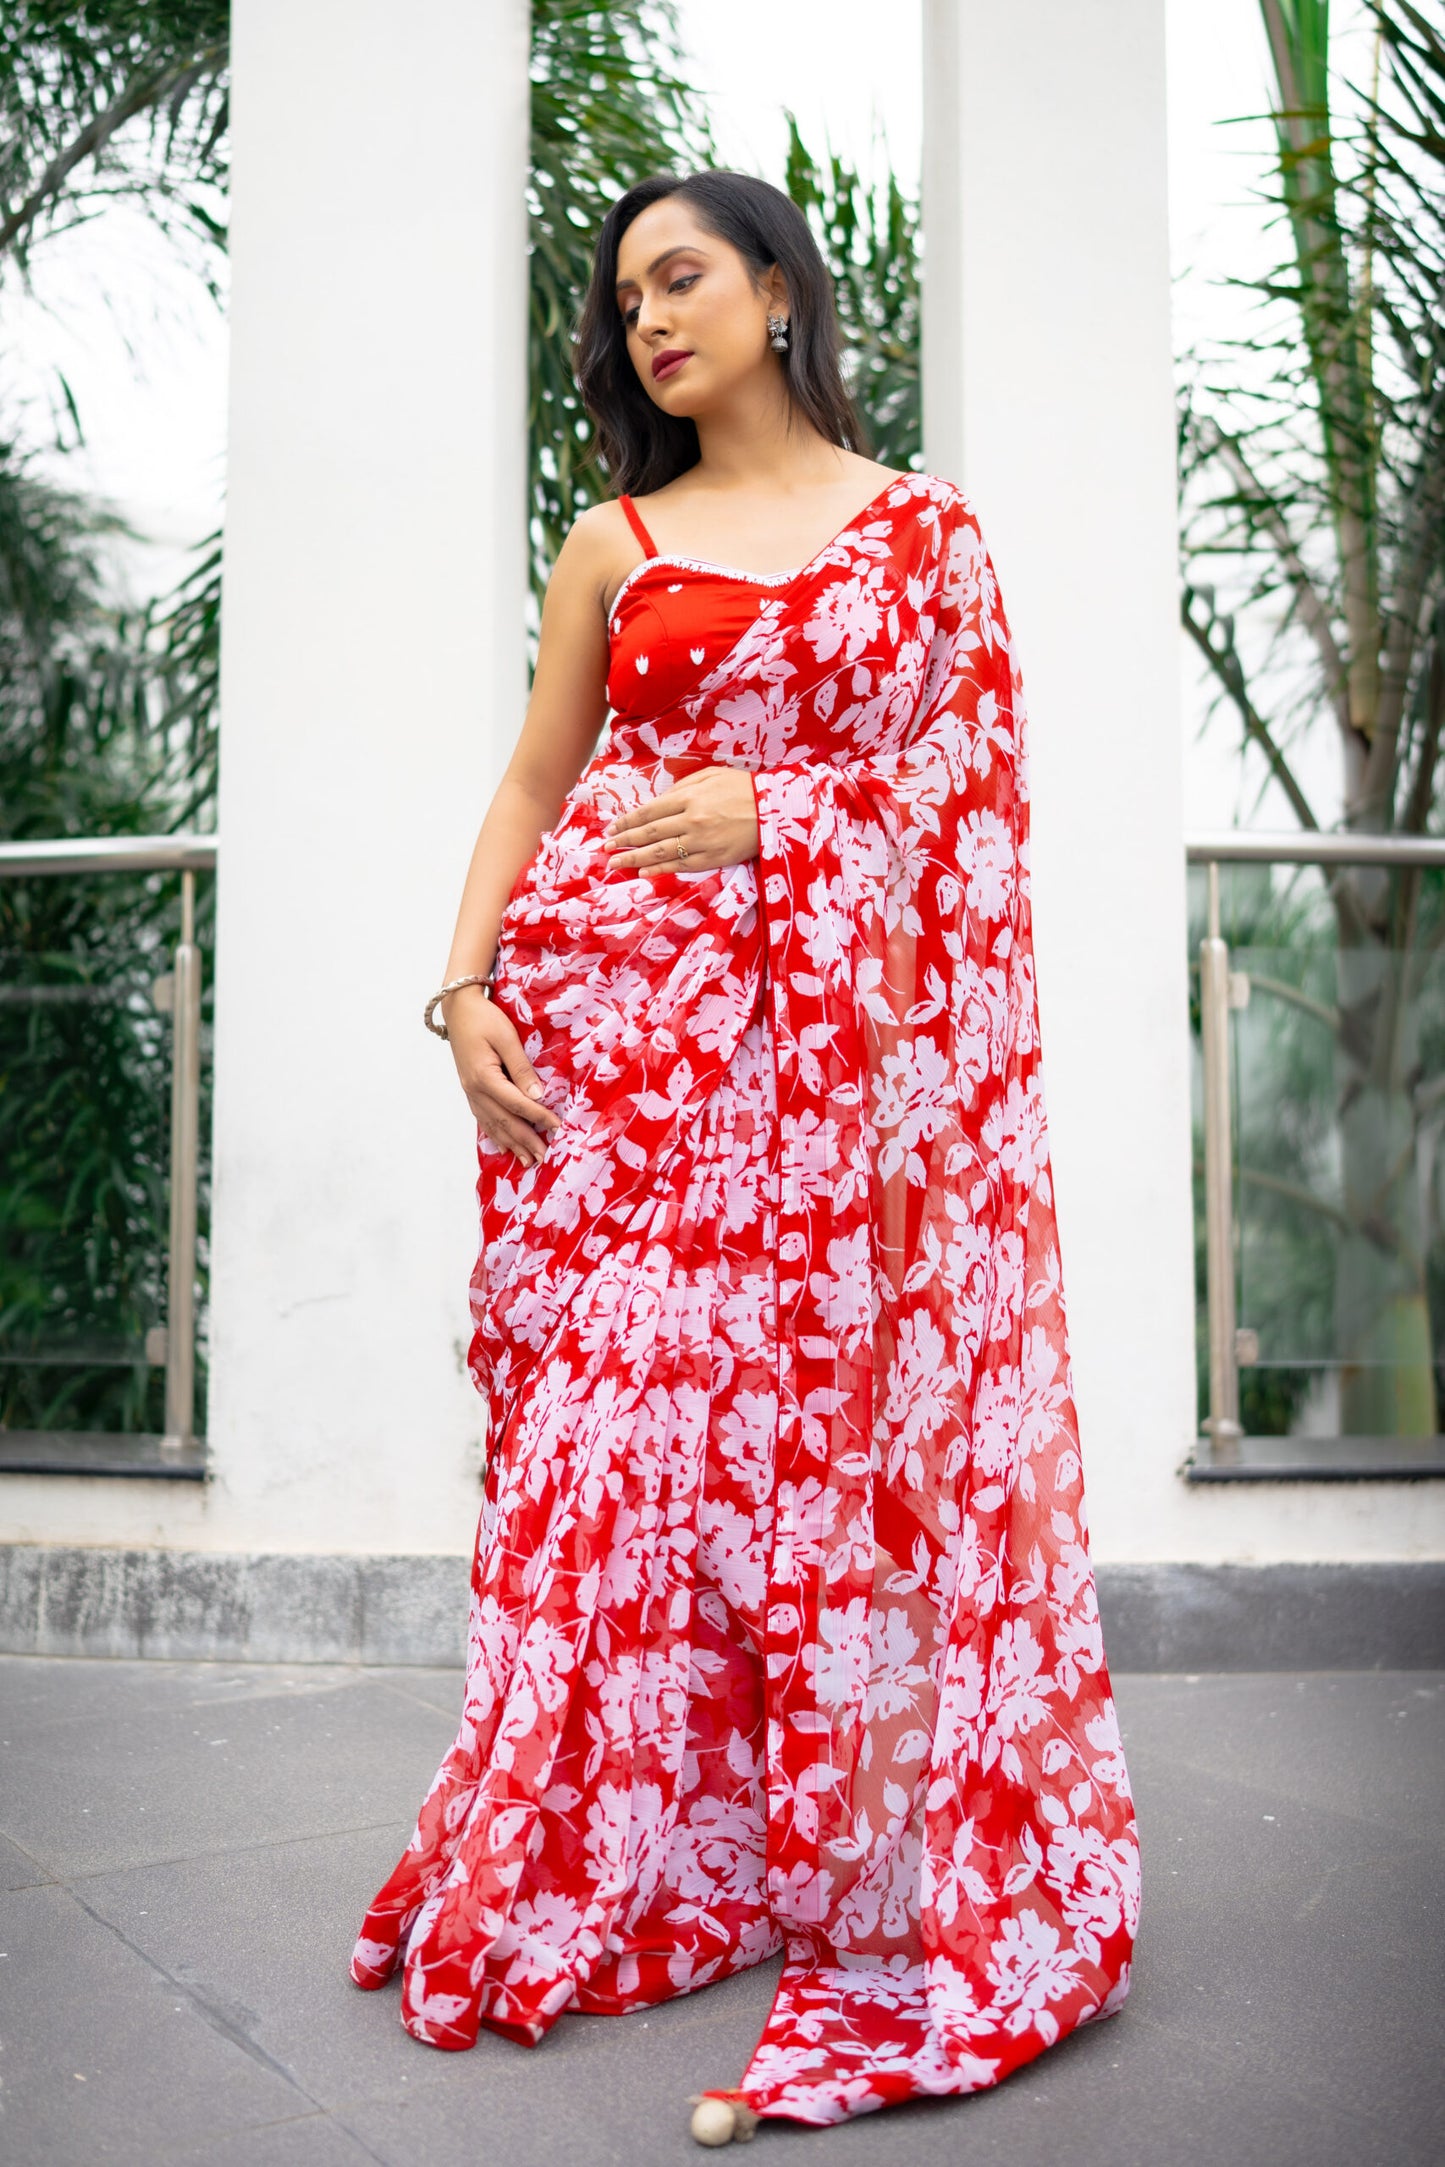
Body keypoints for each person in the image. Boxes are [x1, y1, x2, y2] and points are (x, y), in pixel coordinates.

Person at [350, 167, 1140, 2145]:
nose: (650, 318)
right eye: (625, 299)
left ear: (780, 290)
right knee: (610, 1460)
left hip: (840, 1090)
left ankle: (841, 1873)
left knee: (819, 1453)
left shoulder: (924, 537)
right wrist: (462, 997)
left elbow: (972, 793)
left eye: (682, 275)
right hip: (616, 1057)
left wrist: (779, 820)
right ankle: (624, 1858)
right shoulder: (613, 544)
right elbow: (539, 780)